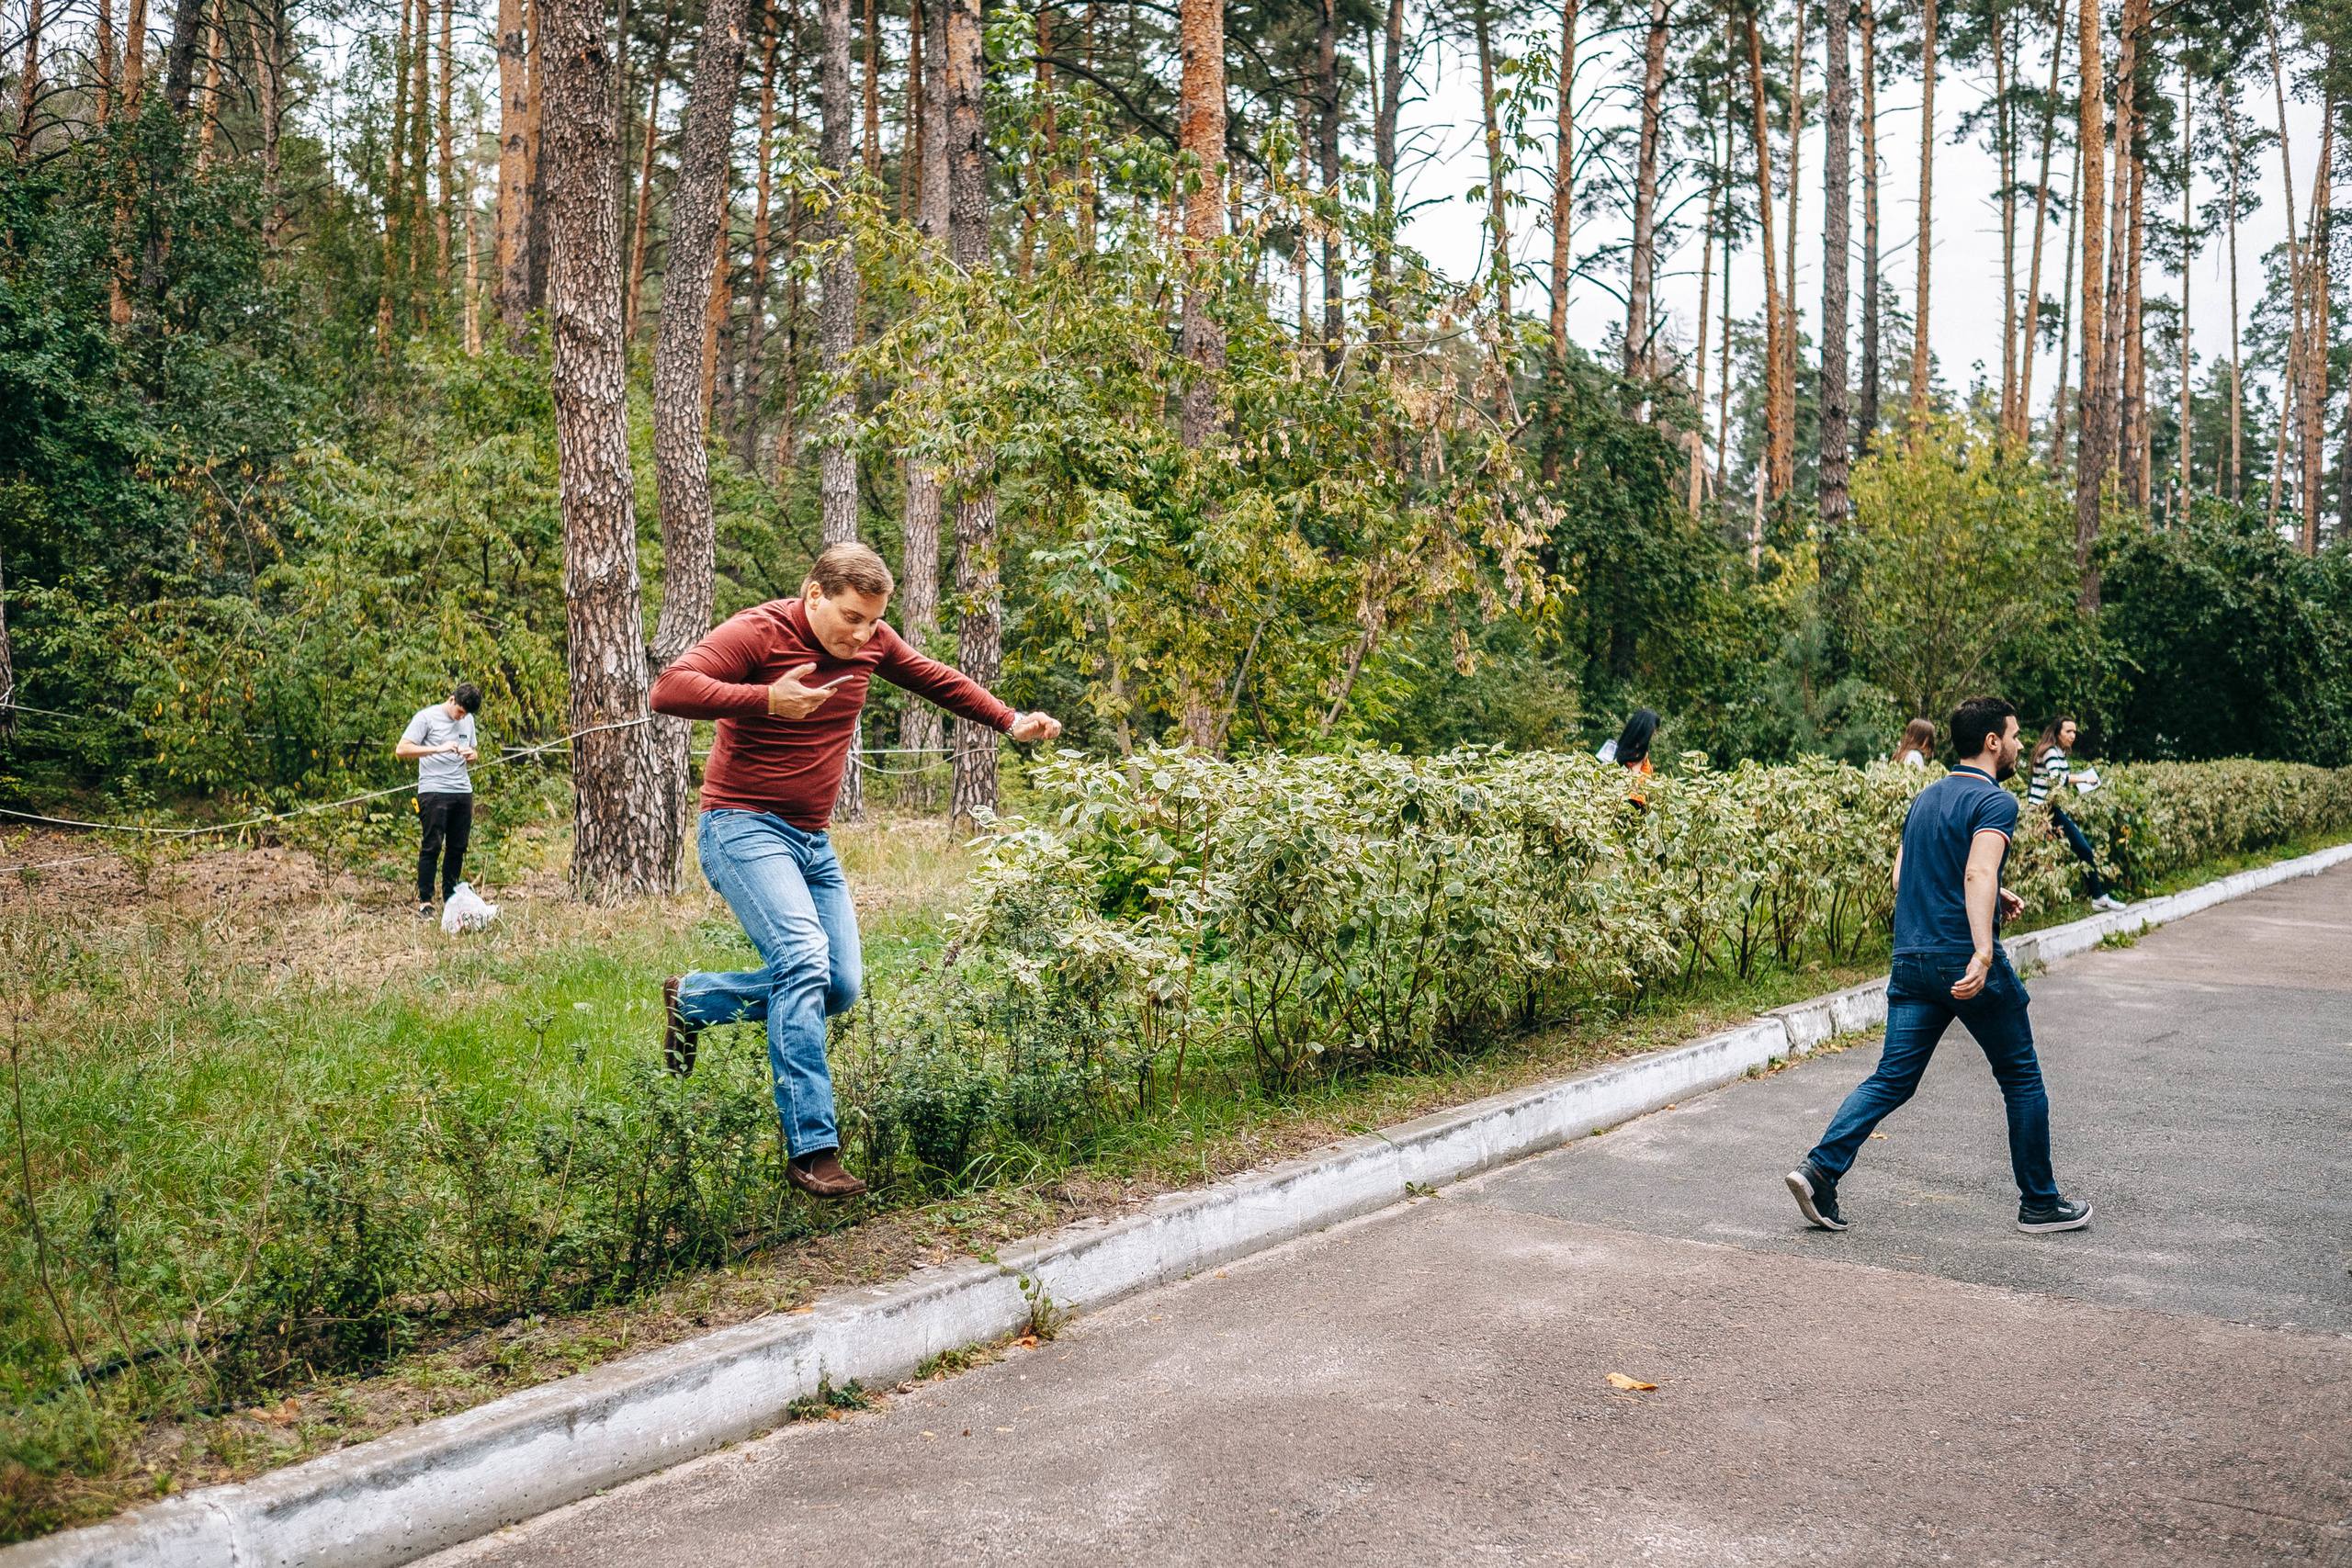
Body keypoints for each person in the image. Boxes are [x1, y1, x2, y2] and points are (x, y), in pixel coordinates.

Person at [648, 543, 1063, 1201]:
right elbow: (669, 688)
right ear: (814, 594)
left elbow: (935, 678)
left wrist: (1009, 720)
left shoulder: (873, 642)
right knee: (803, 962)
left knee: (838, 987)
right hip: (741, 826)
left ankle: (694, 999)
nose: (864, 634)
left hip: (812, 841)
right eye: (851, 618)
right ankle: (813, 1151)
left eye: (874, 621)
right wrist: (767, 699)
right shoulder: (759, 631)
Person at [1784, 694, 2093, 1236]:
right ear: (1992, 742)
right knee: (2021, 1078)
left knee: (1892, 1078)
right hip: (1961, 959)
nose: (2020, 744)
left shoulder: (1925, 798)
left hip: (1911, 961)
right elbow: (1976, 873)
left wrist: (1993, 893)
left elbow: (1905, 877)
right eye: (2015, 736)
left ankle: (1819, 1170)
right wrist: (1982, 950)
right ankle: (2040, 1204)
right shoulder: (1996, 801)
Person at [396, 682, 482, 920]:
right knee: (432, 845)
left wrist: (472, 755)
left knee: (457, 847)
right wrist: (438, 749)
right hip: (434, 790)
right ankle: (426, 902)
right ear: (452, 699)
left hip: (462, 790)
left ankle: (451, 899)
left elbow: (474, 751)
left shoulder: (468, 720)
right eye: (460, 711)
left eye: (466, 714)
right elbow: (402, 749)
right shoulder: (426, 717)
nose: (461, 717)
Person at [2030, 716, 2126, 913]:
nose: (2073, 736)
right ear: (2057, 733)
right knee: (2081, 849)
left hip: (2049, 810)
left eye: (2074, 732)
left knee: (2055, 856)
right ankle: (2097, 897)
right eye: (2068, 731)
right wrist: (2084, 779)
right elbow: (2057, 778)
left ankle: (2095, 897)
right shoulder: (2050, 752)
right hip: (2042, 811)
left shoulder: (2059, 753)